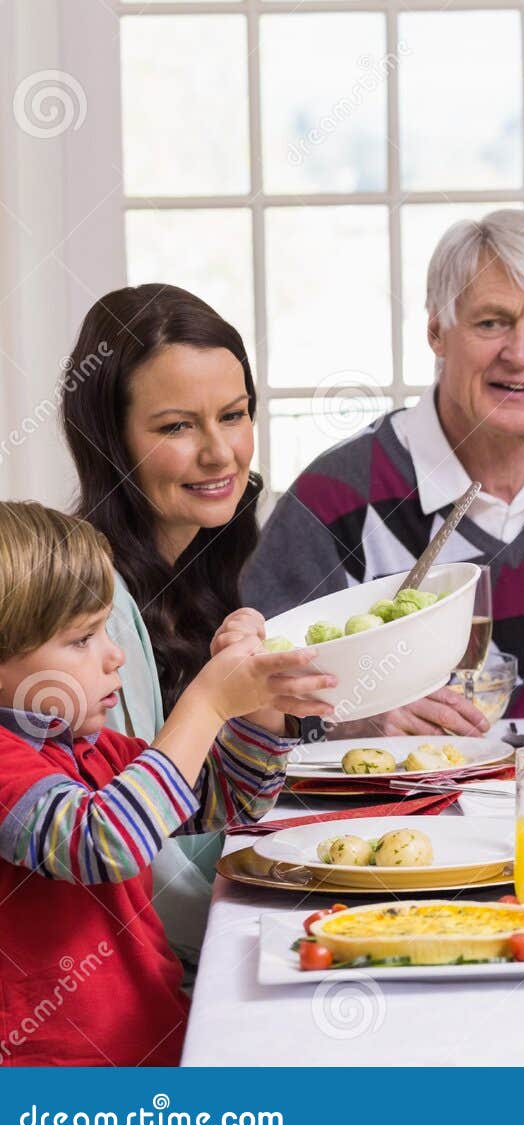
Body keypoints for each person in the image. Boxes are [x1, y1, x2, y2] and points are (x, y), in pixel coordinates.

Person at [243, 209, 524, 728]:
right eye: (491, 323)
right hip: (417, 800)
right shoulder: (336, 497)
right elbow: (252, 696)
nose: (520, 354)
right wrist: (355, 717)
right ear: (437, 332)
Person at [59, 284, 332, 972]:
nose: (220, 453)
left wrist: (263, 712)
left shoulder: (204, 564)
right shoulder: (96, 608)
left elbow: (201, 808)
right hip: (125, 985)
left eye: (234, 415)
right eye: (177, 426)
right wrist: (311, 897)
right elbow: (130, 856)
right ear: (110, 440)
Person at [0, 502, 328, 1065]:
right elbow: (104, 842)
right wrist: (206, 702)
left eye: (106, 629)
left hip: (152, 1044)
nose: (115, 655)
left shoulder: (90, 747)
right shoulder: (10, 765)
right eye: (81, 639)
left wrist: (262, 707)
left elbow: (229, 800)